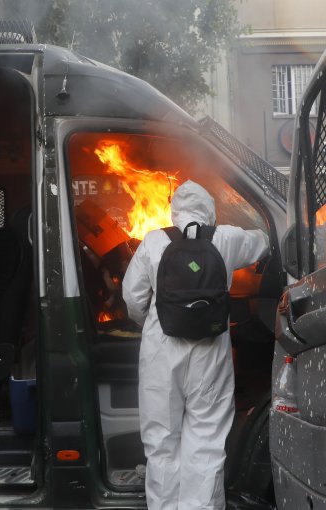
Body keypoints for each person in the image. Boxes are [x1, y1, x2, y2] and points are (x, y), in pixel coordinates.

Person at [121, 180, 269, 510]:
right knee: (206, 443)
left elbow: (132, 297)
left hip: (162, 352)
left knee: (161, 444)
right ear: (208, 210)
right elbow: (263, 243)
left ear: (174, 212)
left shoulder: (154, 242)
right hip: (210, 355)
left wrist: (148, 322)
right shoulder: (226, 238)